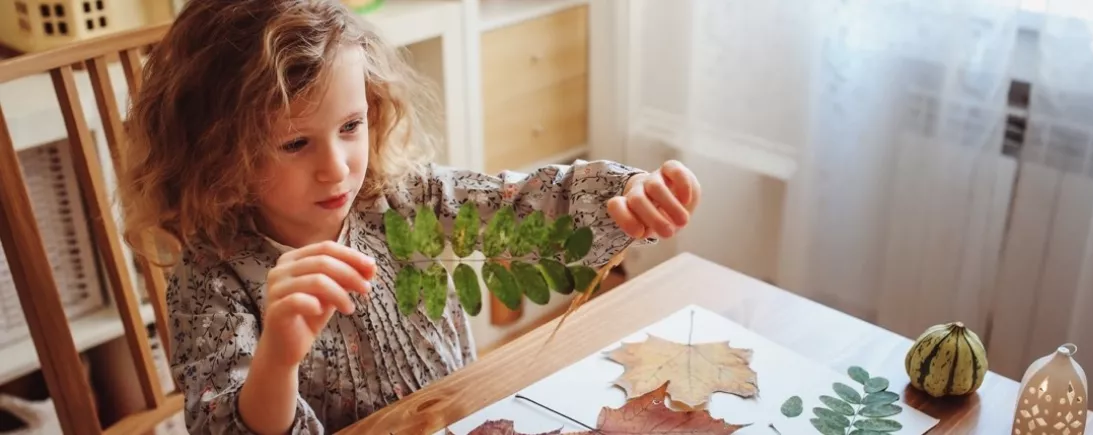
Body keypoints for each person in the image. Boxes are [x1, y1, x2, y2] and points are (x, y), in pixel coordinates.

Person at [116, 0, 702, 433]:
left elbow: (519, 204)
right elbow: (222, 423)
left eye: (351, 126)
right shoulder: (211, 277)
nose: (337, 168)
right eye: (295, 144)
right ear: (219, 152)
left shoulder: (402, 197)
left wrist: (628, 194)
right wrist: (278, 357)